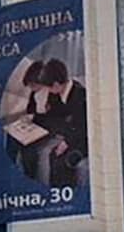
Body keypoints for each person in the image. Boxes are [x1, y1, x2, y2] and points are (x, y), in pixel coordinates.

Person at [30, 58, 88, 190]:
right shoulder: (56, 94)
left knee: (62, 160)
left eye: (48, 88)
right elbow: (51, 115)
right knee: (52, 155)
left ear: (56, 85)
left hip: (84, 138)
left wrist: (66, 142)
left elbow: (82, 126)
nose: (47, 91)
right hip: (70, 132)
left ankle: (67, 193)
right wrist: (34, 117)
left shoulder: (79, 94)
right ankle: (56, 190)